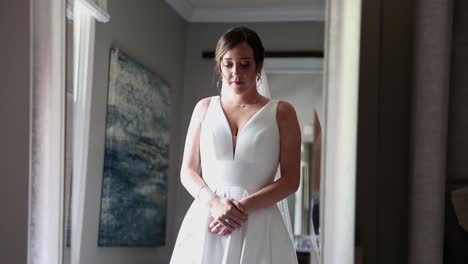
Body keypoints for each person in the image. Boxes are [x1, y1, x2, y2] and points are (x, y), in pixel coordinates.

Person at [170, 26, 301, 264]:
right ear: (219, 65)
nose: (235, 73)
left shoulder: (282, 112)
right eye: (228, 64)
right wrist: (215, 203)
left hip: (260, 222)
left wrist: (242, 208)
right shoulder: (204, 108)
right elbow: (187, 171)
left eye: (244, 64)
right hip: (208, 219)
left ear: (258, 66)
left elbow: (291, 181)